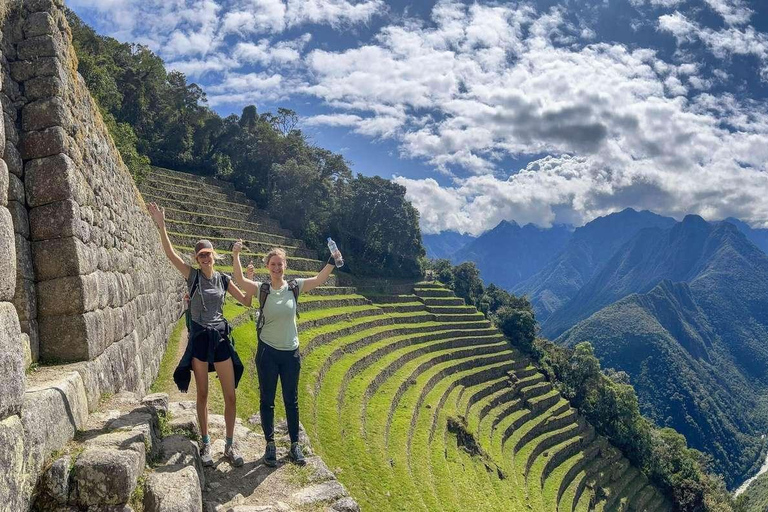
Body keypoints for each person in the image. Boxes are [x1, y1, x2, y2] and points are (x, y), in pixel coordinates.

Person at [148, 202, 250, 468]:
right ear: (197, 259)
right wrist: (162, 225)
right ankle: (206, 443)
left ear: (214, 255)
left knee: (230, 395)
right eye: (201, 255)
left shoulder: (224, 279)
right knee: (202, 393)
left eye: (208, 254)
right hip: (201, 339)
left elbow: (247, 301)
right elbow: (170, 255)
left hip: (220, 338)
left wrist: (249, 276)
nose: (205, 258)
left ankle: (228, 444)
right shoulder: (192, 276)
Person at [231, 240, 339, 466]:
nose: (277, 268)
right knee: (267, 400)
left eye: (280, 264)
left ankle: (294, 445)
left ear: (285, 266)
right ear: (267, 267)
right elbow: (240, 280)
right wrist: (236, 255)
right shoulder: (262, 289)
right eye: (273, 264)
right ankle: (270, 444)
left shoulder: (295, 286)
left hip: (291, 353)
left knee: (292, 400)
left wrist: (332, 260)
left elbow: (319, 280)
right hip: (267, 352)